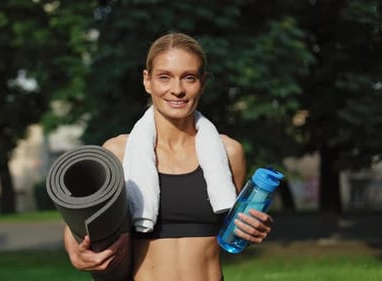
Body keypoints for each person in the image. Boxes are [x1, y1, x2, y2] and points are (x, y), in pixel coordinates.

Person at [63, 32, 274, 281]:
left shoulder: (229, 153)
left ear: (203, 83)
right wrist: (76, 252)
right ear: (147, 81)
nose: (177, 90)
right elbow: (79, 222)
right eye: (165, 77)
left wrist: (254, 230)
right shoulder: (119, 152)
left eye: (189, 78)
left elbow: (232, 234)